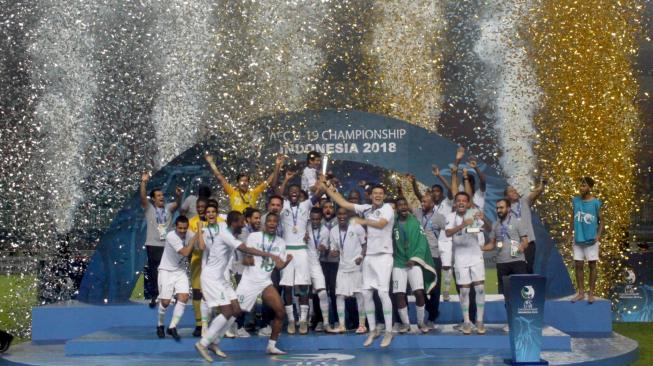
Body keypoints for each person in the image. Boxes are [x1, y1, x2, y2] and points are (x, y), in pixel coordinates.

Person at [195, 209, 288, 361]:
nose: (244, 224)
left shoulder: (233, 234)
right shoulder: (227, 235)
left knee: (236, 310)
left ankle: (215, 342)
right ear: (234, 223)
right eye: (241, 222)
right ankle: (204, 343)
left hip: (236, 279)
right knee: (228, 311)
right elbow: (245, 250)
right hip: (214, 278)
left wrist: (285, 261)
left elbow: (278, 264)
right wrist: (267, 254)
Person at [323, 181, 395, 348]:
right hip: (369, 256)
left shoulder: (387, 209)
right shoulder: (366, 208)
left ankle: (389, 331)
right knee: (367, 293)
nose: (377, 195)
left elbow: (382, 224)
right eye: (375, 193)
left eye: (380, 193)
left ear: (383, 196)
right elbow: (343, 203)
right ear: (370, 195)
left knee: (383, 294)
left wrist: (363, 222)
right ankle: (373, 330)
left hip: (384, 256)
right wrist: (328, 190)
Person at [236, 213, 293, 355]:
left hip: (265, 281)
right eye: (270, 221)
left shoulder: (280, 242)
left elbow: (278, 266)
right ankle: (211, 338)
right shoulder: (254, 237)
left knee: (280, 311)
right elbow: (247, 258)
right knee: (233, 312)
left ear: (277, 224)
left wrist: (286, 263)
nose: (272, 224)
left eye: (275, 222)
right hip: (250, 280)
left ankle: (271, 346)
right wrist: (248, 260)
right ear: (264, 224)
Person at [445, 192, 491, 335]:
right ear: (455, 203)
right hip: (460, 257)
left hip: (475, 256)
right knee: (464, 291)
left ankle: (479, 321)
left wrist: (485, 219)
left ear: (468, 203)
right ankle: (466, 321)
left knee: (480, 289)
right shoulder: (450, 217)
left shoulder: (474, 213)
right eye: (458, 200)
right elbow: (447, 233)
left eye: (464, 200)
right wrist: (463, 224)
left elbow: (488, 229)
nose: (461, 203)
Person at [405, 177, 447, 329]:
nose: (422, 204)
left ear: (432, 204)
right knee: (420, 288)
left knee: (435, 289)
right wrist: (410, 185)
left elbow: (448, 232)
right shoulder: (417, 213)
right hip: (419, 257)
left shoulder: (440, 218)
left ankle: (432, 318)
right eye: (421, 202)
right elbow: (409, 205)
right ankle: (432, 311)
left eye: (425, 202)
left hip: (434, 256)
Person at [278, 182, 320, 335]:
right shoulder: (284, 206)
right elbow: (276, 188)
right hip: (288, 250)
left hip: (302, 251)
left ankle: (303, 320)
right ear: (288, 195)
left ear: (300, 194)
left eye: (296, 191)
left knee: (303, 287)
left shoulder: (306, 205)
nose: (294, 193)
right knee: (287, 287)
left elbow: (318, 194)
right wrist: (279, 168)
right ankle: (291, 320)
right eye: (291, 191)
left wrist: (321, 180)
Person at [482, 199, 529, 331]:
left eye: (501, 208)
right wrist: (479, 247)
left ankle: (523, 322)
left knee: (520, 294)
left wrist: (520, 247)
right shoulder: (495, 225)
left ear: (508, 208)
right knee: (506, 295)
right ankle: (511, 322)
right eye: (497, 208)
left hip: (517, 262)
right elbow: (492, 244)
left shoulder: (517, 221)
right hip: (502, 264)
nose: (499, 210)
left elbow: (525, 241)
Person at [392, 197, 437, 333]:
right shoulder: (392, 223)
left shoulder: (415, 223)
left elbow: (422, 242)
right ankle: (406, 324)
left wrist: (414, 259)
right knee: (399, 294)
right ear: (396, 208)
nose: (403, 207)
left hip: (414, 262)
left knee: (419, 292)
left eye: (405, 204)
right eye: (400, 205)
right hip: (398, 263)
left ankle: (420, 322)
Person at [140, 171, 182, 308]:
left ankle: (171, 294)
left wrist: (178, 196)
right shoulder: (149, 209)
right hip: (153, 245)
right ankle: (154, 295)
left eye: (162, 195)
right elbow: (142, 197)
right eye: (158, 196)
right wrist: (143, 182)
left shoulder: (169, 208)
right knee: (154, 271)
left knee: (170, 270)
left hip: (167, 245)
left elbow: (177, 203)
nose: (161, 197)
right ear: (153, 199)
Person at [156, 216, 197, 340]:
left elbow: (200, 244)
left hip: (180, 271)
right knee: (165, 302)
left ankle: (172, 327)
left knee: (184, 297)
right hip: (166, 271)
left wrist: (199, 233)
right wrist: (193, 240)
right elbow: (185, 252)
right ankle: (160, 325)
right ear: (175, 227)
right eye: (180, 228)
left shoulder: (190, 234)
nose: (183, 231)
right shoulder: (171, 236)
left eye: (185, 228)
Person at [328, 206, 367, 333]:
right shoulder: (333, 231)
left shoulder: (357, 227)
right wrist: (333, 253)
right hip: (342, 267)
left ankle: (362, 325)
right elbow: (334, 249)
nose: (342, 216)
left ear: (348, 215)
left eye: (344, 214)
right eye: (339, 214)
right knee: (339, 295)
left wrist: (361, 256)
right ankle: (342, 325)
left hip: (357, 267)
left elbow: (365, 244)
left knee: (360, 295)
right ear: (336, 215)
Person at [205, 153, 283, 213]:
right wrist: (211, 162)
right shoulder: (232, 192)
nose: (244, 183)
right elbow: (220, 177)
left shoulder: (254, 193)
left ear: (248, 183)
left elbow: (269, 180)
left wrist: (278, 166)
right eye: (241, 181)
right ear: (238, 183)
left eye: (246, 181)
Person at [571, 177, 603, 304]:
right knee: (578, 265)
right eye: (580, 185)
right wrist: (569, 233)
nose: (581, 187)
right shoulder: (575, 201)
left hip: (591, 241)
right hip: (578, 239)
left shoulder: (596, 202)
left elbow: (602, 221)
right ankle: (581, 293)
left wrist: (598, 235)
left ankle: (591, 293)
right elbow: (571, 217)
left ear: (589, 187)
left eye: (583, 185)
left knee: (592, 265)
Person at [505, 178, 546, 274]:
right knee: (515, 268)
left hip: (529, 241)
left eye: (515, 190)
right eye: (511, 191)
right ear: (507, 196)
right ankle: (516, 288)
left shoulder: (524, 201)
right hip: (514, 243)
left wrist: (542, 184)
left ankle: (529, 288)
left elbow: (537, 192)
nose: (514, 192)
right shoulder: (505, 208)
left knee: (528, 267)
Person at [187, 197, 214, 337]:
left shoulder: (216, 222)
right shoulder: (191, 223)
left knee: (212, 294)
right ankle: (199, 324)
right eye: (198, 206)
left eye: (203, 206)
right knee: (197, 293)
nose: (200, 208)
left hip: (213, 264)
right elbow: (192, 244)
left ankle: (213, 324)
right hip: (197, 261)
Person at [305, 207, 333, 332]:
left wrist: (324, 248)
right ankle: (304, 321)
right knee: (304, 294)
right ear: (309, 218)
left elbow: (326, 247)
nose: (315, 221)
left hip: (315, 263)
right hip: (303, 262)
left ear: (321, 219)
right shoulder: (304, 227)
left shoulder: (326, 231)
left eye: (317, 219)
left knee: (321, 292)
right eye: (313, 219)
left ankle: (326, 323)